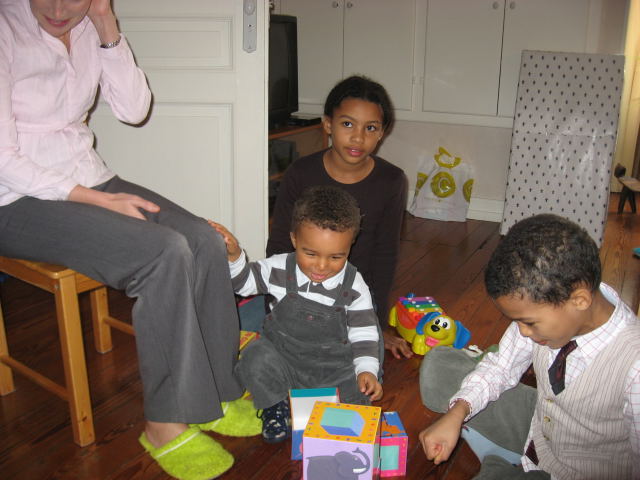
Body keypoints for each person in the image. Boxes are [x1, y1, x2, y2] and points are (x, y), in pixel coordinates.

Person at [0, 1, 259, 479]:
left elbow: (134, 110)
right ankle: (163, 422)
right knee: (162, 253)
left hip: (87, 176)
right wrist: (97, 200)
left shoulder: (88, 26)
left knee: (201, 239)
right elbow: (3, 157)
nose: (57, 7)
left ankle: (217, 392)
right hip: (14, 200)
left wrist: (105, 24)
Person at [418, 214, 640, 479]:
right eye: (517, 321)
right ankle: (503, 458)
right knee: (439, 366)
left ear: (580, 300)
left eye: (529, 322)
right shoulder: (548, 306)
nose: (522, 331)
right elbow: (501, 368)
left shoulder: (634, 365)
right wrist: (457, 412)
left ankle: (498, 463)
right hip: (539, 431)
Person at [211, 185, 383, 443]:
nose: (321, 266)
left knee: (359, 386)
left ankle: (330, 406)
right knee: (254, 358)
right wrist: (235, 257)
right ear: (294, 240)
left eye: (336, 257)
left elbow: (364, 332)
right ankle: (275, 405)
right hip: (284, 358)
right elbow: (244, 284)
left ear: (350, 246)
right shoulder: (278, 267)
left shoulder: (355, 284)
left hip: (332, 368)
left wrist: (367, 370)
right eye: (310, 253)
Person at [267, 75, 412, 359]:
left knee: (358, 366)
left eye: (370, 128)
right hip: (303, 291)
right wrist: (280, 304)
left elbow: (385, 255)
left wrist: (378, 324)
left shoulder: (392, 181)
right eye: (347, 124)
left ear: (382, 133)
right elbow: (280, 245)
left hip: (354, 298)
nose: (358, 137)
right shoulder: (300, 173)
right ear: (327, 124)